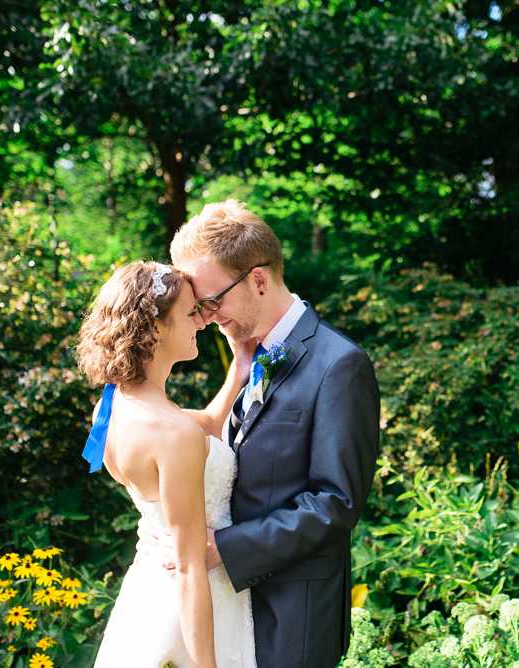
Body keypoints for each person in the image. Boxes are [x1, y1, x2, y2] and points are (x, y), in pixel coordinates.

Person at [157, 199, 382, 668]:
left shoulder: (338, 364)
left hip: (293, 613)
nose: (208, 315)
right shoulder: (249, 354)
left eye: (212, 300)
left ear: (258, 280)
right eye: (200, 306)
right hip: (234, 606)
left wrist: (224, 548)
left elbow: (334, 502)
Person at [77, 261, 257, 668]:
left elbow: (210, 424)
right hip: (194, 606)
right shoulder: (173, 434)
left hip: (147, 592)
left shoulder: (113, 408)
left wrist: (240, 369)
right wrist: (206, 664)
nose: (203, 322)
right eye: (193, 311)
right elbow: (191, 568)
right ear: (155, 327)